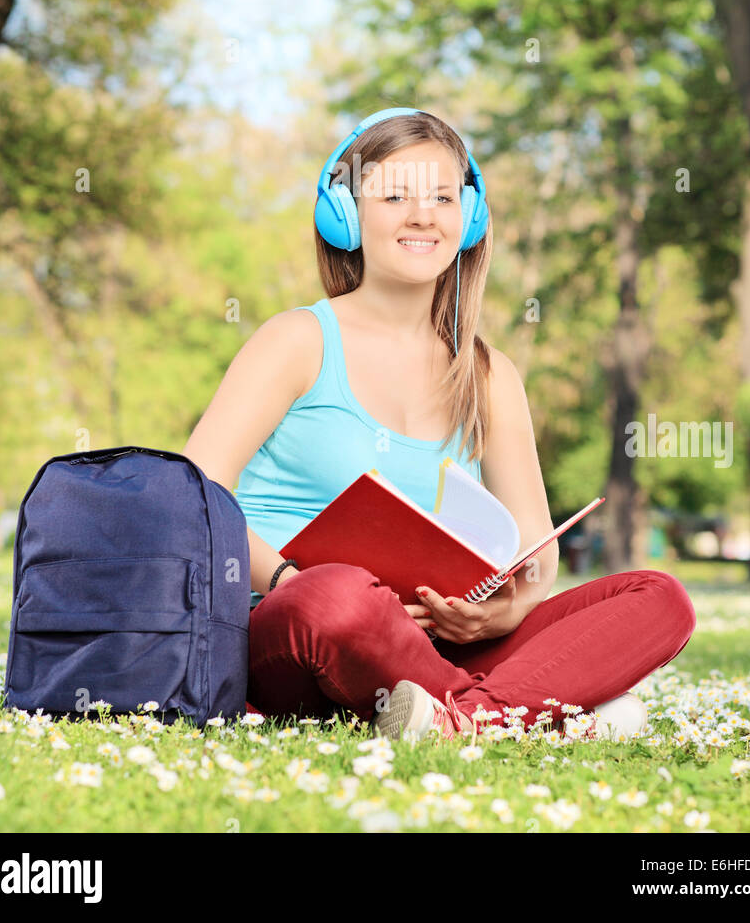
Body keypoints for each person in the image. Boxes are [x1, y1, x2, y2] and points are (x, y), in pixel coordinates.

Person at [183, 107, 696, 741]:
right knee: (339, 596)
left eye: (443, 196)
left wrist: (504, 610)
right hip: (297, 626)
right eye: (395, 194)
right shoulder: (296, 341)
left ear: (469, 218)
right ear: (346, 216)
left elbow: (537, 551)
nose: (423, 214)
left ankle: (454, 718)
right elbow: (195, 498)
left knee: (658, 597)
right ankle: (527, 714)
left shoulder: (489, 373)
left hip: (436, 646)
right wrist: (291, 577)